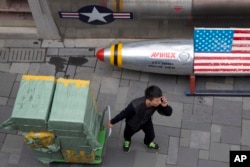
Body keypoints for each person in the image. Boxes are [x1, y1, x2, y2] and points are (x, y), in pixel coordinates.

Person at [108, 85, 172, 152]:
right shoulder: (135, 105)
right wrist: (112, 122)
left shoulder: (157, 103)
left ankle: (148, 142)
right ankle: (127, 141)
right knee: (127, 134)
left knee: (151, 135)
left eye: (160, 99)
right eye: (157, 100)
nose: (159, 102)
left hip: (146, 122)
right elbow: (124, 114)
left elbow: (168, 113)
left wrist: (165, 106)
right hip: (132, 124)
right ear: (148, 100)